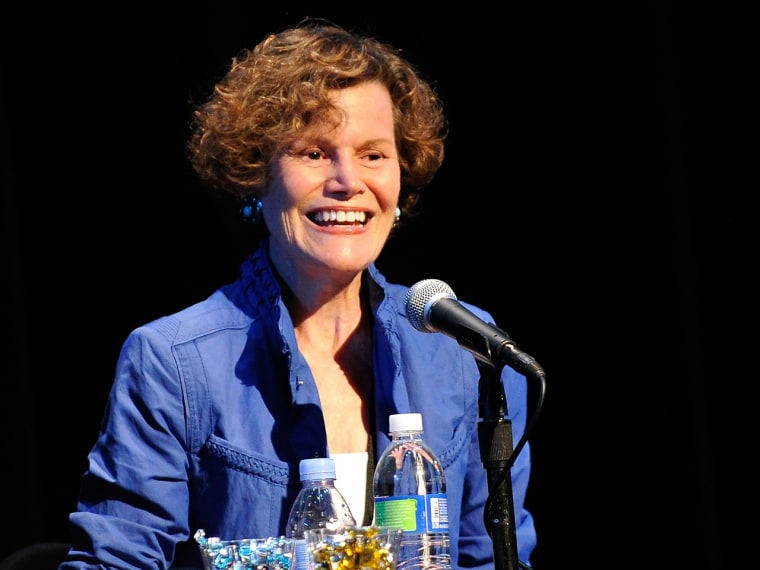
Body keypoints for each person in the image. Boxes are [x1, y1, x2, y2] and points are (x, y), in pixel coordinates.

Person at [59, 20, 538, 570]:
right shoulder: (173, 361)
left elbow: (492, 560)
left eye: (374, 155)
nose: (347, 180)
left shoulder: (463, 351)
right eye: (313, 153)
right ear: (255, 174)